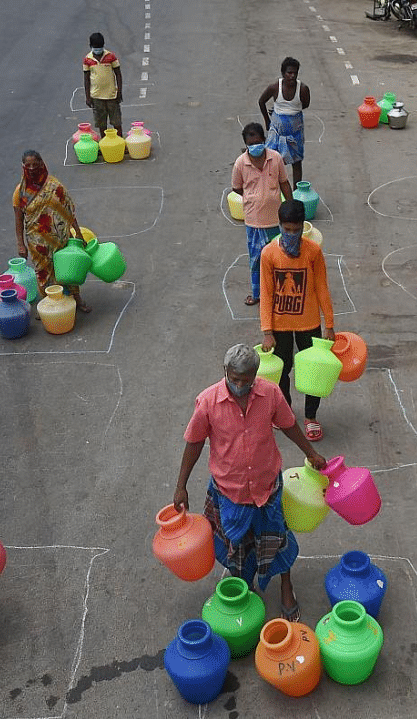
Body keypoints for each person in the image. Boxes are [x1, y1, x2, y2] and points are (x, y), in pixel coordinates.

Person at [174, 344, 327, 622]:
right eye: (235, 379)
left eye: (246, 380)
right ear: (225, 372)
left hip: (267, 485)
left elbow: (289, 424)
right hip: (229, 491)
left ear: (256, 374)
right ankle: (247, 589)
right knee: (237, 547)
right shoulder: (208, 401)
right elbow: (194, 443)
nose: (240, 385)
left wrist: (311, 452)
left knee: (278, 538)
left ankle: (286, 585)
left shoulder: (270, 393)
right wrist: (181, 484)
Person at [259, 200, 336, 441]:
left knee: (314, 371)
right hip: (280, 326)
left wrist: (330, 325)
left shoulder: (313, 252)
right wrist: (267, 330)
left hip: (309, 324)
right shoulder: (268, 254)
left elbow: (322, 287)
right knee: (282, 371)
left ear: (303, 227)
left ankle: (311, 416)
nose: (291, 234)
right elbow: (266, 293)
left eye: (295, 230)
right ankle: (285, 412)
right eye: (286, 229)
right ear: (280, 226)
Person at [12, 150, 91, 312]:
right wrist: (21, 244)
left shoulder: (54, 186)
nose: (32, 168)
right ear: (23, 167)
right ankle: (50, 306)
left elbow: (68, 212)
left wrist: (78, 233)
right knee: (43, 274)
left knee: (68, 267)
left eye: (35, 164)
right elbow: (18, 220)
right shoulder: (20, 193)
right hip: (37, 242)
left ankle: (77, 299)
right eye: (28, 165)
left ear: (42, 163)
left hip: (61, 238)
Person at [232, 122, 293, 306]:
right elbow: (237, 188)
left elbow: (284, 183)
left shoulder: (275, 158)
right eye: (251, 144)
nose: (255, 147)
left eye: (258, 142)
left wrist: (290, 206)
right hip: (254, 222)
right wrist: (254, 198)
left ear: (264, 140)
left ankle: (280, 292)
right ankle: (258, 294)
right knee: (256, 260)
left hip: (276, 221)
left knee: (279, 258)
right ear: (246, 145)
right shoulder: (241, 163)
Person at [258, 57, 311, 190]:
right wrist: (267, 120)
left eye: (294, 73)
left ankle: (296, 192)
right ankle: (271, 189)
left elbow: (304, 105)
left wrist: (289, 113)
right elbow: (261, 101)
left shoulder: (303, 89)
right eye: (289, 73)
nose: (292, 76)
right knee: (271, 160)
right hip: (276, 132)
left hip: (295, 132)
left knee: (296, 162)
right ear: (283, 73)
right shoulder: (275, 87)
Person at [83, 32, 123, 137]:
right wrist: (88, 97)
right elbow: (86, 79)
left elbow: (118, 74)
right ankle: (105, 143)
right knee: (101, 123)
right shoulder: (88, 59)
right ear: (91, 46)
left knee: (116, 122)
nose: (98, 50)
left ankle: (120, 142)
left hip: (111, 95)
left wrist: (119, 91)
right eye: (96, 47)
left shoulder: (111, 56)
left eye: (100, 47)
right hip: (96, 96)